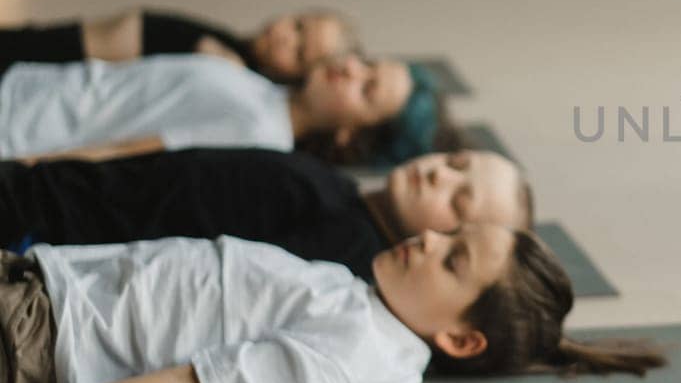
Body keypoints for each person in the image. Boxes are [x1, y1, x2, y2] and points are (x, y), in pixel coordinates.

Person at [0, 224, 664, 383]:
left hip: (43, 340)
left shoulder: (365, 348)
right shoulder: (365, 300)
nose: (428, 236)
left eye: (451, 258)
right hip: (47, 286)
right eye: (450, 233)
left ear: (460, 338)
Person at [0, 147, 533, 281]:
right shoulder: (344, 192)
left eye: (458, 200)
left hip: (42, 232)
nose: (441, 174)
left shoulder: (347, 244)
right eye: (456, 162)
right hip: (48, 192)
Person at [0, 51, 451, 167]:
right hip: (25, 92)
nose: (352, 69)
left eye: (367, 89)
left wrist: (21, 169)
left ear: (350, 134)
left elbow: (129, 152)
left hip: (20, 133)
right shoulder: (264, 93)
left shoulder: (258, 131)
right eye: (366, 63)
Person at [0, 7, 355, 83]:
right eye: (296, 25)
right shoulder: (230, 42)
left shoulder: (231, 71)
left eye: (298, 51)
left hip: (55, 72)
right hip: (59, 47)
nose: (284, 36)